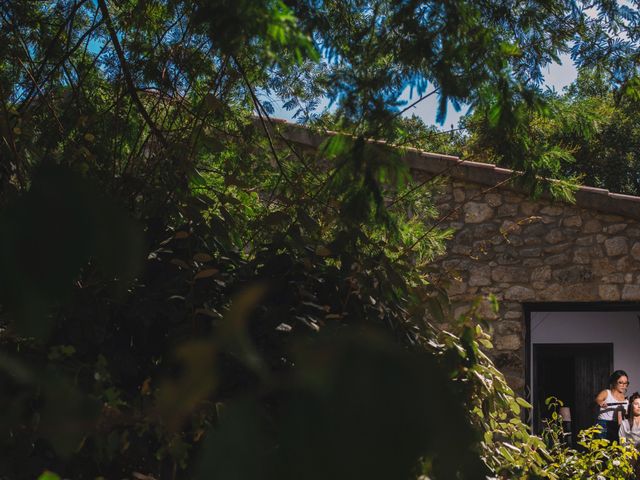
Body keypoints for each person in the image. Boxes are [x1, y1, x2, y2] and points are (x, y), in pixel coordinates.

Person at [595, 370, 629, 442]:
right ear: (614, 382)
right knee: (602, 450)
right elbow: (598, 399)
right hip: (604, 424)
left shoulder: (626, 400)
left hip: (618, 426)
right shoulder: (607, 392)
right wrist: (601, 402)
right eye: (620, 382)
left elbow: (626, 414)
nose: (623, 385)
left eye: (625, 383)